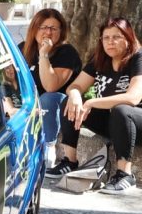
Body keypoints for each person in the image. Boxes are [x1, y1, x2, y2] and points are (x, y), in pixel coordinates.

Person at [46, 17, 142, 194]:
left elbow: (133, 98)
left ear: (128, 38)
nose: (110, 42)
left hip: (135, 123)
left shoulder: (138, 57)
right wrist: (75, 94)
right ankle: (69, 161)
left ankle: (125, 175)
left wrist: (90, 102)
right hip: (114, 122)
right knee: (69, 102)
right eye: (106, 38)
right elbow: (75, 86)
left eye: (116, 37)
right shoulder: (100, 59)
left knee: (122, 109)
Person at [18, 9, 82, 165]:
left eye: (53, 28)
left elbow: (51, 86)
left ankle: (48, 146)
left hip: (54, 106)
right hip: (29, 104)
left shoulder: (66, 52)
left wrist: (44, 55)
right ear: (34, 28)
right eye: (43, 27)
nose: (48, 32)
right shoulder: (23, 48)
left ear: (61, 32)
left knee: (48, 98)